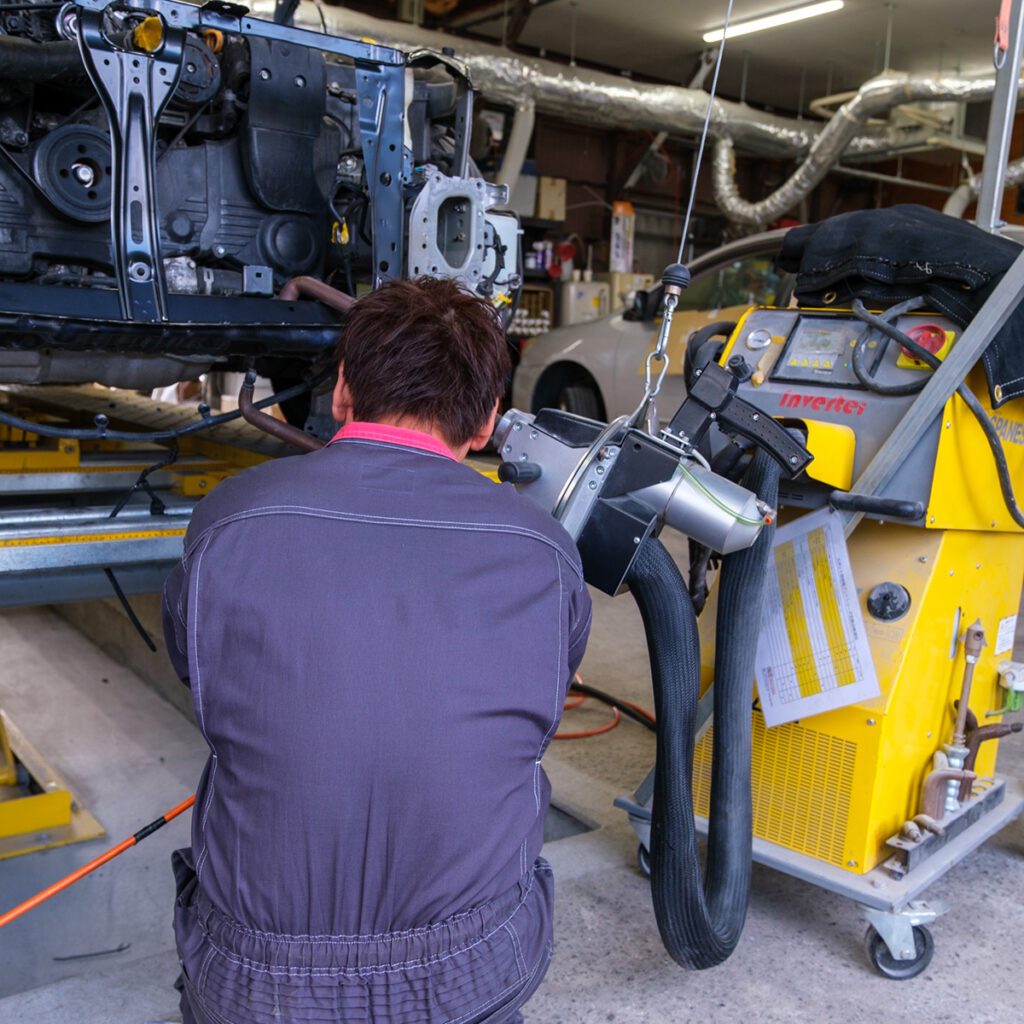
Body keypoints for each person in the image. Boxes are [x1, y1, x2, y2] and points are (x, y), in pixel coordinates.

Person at [161, 276, 592, 1024]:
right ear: (487, 421)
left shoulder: (227, 519)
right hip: (468, 972)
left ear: (342, 393)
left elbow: (200, 674)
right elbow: (540, 707)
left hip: (258, 982)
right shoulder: (546, 553)